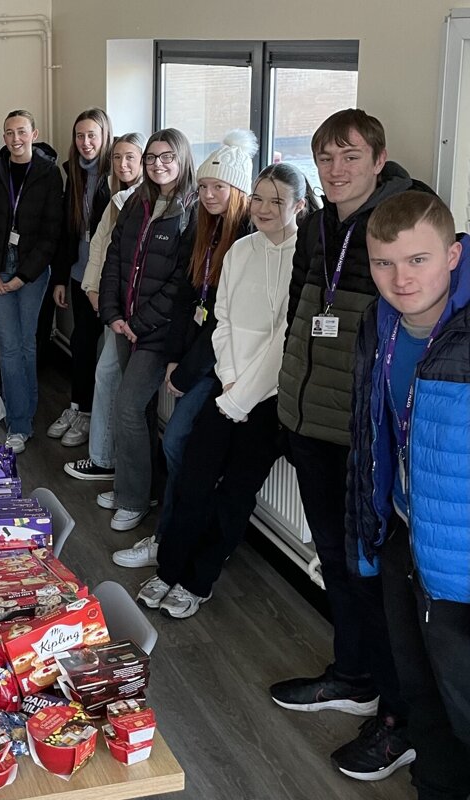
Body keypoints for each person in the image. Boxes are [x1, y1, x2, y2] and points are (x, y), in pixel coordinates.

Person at [269, 109, 426, 782]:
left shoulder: (403, 221)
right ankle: (353, 675)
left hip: (364, 436)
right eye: (325, 158)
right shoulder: (315, 223)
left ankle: (399, 716)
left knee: (377, 580)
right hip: (310, 422)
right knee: (336, 562)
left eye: (350, 156)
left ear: (378, 157)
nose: (336, 170)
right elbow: (301, 312)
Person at [136, 162, 315, 616]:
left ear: (298, 205)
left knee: (236, 492)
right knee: (194, 478)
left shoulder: (305, 258)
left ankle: (199, 580)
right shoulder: (241, 249)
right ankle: (168, 571)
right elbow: (224, 319)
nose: (264, 209)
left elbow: (286, 336)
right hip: (228, 383)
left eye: (277, 201)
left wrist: (243, 393)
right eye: (258, 199)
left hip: (268, 399)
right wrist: (230, 378)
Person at [351, 191, 470, 797]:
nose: (400, 279)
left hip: (462, 567)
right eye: (383, 264)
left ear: (453, 255)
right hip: (404, 535)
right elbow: (372, 432)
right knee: (422, 697)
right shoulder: (380, 324)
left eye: (418, 260)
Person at [112, 130, 256, 568]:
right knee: (179, 445)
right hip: (190, 354)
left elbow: (222, 318)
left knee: (178, 443)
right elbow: (188, 300)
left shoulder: (242, 237)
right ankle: (174, 530)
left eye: (220, 188)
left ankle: (177, 533)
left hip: (227, 370)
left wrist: (181, 364)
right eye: (207, 187)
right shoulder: (207, 232)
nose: (210, 194)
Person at [96, 128, 198, 530]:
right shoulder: (137, 202)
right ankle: (136, 485)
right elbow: (114, 260)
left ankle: (133, 500)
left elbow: (179, 283)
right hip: (125, 324)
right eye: (152, 157)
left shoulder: (190, 210)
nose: (158, 164)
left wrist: (138, 322)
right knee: (141, 410)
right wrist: (113, 314)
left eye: (166, 157)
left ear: (182, 158)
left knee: (127, 407)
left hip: (157, 333)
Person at [0, 110, 63, 453]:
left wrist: (25, 275)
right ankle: (19, 424)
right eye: (9, 132)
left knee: (26, 344)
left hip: (31, 272)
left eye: (21, 131)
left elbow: (52, 232)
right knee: (9, 348)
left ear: (34, 134)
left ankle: (25, 413)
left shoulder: (49, 174)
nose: (15, 138)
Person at [64, 133, 144, 482]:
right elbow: (101, 250)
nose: (123, 164)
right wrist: (93, 290)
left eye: (130, 158)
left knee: (110, 378)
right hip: (112, 305)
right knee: (107, 375)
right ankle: (106, 458)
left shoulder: (143, 201)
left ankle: (106, 461)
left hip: (132, 312)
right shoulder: (115, 197)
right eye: (117, 158)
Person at [48, 108, 113, 447]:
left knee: (106, 355)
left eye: (92, 135)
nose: (86, 142)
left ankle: (95, 419)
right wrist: (60, 278)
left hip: (106, 279)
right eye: (80, 136)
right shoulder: (74, 173)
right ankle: (79, 408)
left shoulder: (115, 174)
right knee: (81, 343)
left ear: (104, 136)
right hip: (78, 273)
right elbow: (67, 233)